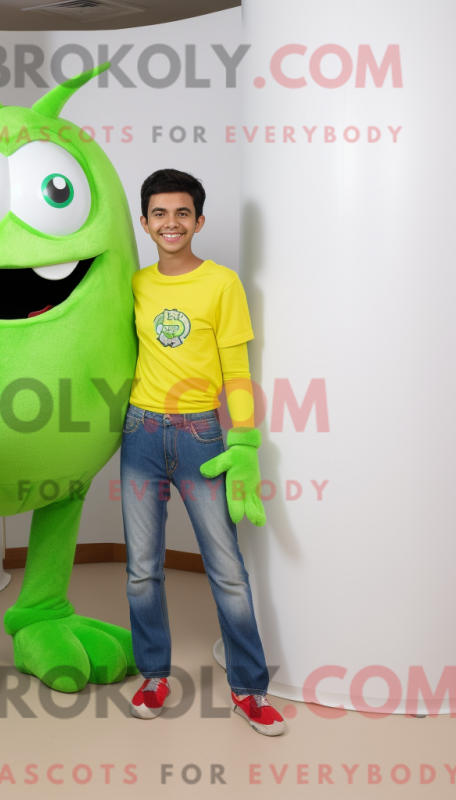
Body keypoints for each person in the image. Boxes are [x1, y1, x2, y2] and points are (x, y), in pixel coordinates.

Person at [121, 168, 284, 735]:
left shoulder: (222, 283)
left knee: (227, 568)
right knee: (142, 569)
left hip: (201, 436)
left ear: (199, 220)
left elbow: (236, 372)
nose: (171, 223)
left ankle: (249, 689)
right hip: (140, 433)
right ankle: (154, 675)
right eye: (159, 213)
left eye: (182, 213)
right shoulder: (134, 284)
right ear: (145, 223)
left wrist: (244, 442)